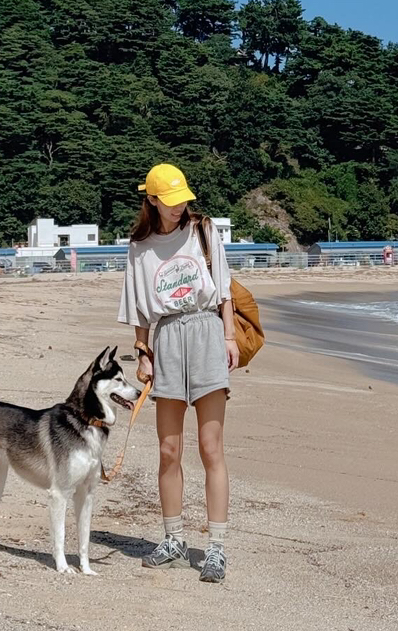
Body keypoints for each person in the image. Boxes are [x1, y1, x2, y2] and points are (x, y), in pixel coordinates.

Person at [117, 163, 238, 583]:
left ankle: (217, 548)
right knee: (168, 449)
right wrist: (142, 353)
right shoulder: (140, 247)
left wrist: (230, 339)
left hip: (206, 332)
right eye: (169, 202)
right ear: (150, 200)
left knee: (211, 447)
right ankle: (173, 539)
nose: (178, 208)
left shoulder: (204, 230)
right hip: (166, 338)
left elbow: (223, 291)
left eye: (182, 199)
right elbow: (138, 310)